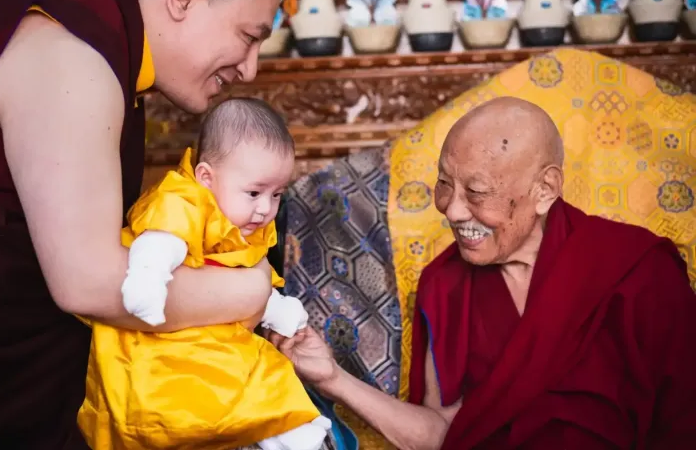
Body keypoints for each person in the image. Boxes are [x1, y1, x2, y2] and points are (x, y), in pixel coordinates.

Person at [0, 0, 282, 448]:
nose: (251, 68)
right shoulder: (73, 59)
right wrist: (251, 290)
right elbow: (90, 281)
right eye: (248, 36)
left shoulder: (98, 49)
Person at [268, 97, 696, 450]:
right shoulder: (445, 284)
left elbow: (684, 425)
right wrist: (333, 379)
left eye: (476, 192)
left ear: (544, 190)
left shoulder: (637, 269)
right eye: (444, 185)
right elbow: (443, 436)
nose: (452, 210)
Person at [80, 98, 330, 450]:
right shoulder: (182, 200)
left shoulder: (242, 222)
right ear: (206, 178)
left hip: (218, 337)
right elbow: (159, 241)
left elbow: (245, 272)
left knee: (270, 381)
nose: (265, 209)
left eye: (277, 195)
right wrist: (148, 278)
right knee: (196, 400)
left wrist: (276, 309)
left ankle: (296, 434)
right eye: (255, 192)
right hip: (161, 344)